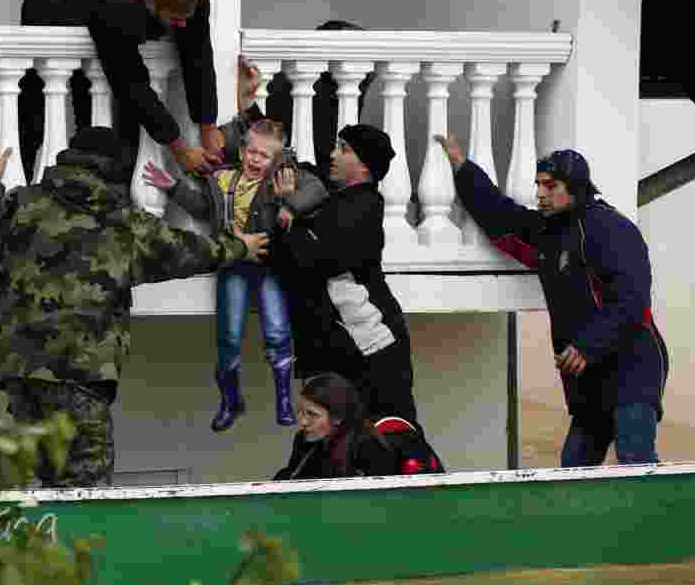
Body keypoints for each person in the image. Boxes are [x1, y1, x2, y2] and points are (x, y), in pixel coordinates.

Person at [0, 128, 268, 487]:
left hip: (22, 374)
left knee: (46, 486)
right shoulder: (122, 221)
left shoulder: (22, 204)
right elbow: (187, 250)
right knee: (85, 491)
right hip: (81, 374)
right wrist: (240, 247)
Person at [435, 132, 670, 467]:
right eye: (539, 185)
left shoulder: (611, 228)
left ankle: (650, 519)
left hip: (632, 367)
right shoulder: (548, 232)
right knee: (573, 468)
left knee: (635, 459)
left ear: (575, 187)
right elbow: (500, 216)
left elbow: (631, 302)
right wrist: (461, 166)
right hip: (589, 376)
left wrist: (587, 346)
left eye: (551, 186)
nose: (540, 193)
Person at [142, 105, 327, 432]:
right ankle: (230, 401)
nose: (256, 160)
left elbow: (317, 190)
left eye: (264, 156)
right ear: (242, 151)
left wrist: (290, 205)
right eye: (252, 152)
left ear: (276, 159)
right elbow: (202, 208)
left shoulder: (282, 179)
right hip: (233, 263)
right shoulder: (223, 178)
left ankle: (284, 400)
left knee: (277, 331)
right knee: (228, 336)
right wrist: (172, 186)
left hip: (269, 265)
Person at [271, 124, 439, 453]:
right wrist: (251, 110)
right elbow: (293, 162)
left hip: (372, 349)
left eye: (343, 148)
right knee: (332, 443)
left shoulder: (363, 208)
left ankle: (419, 497)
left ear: (363, 165)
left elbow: (310, 261)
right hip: (343, 349)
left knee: (394, 438)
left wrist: (290, 211)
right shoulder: (337, 201)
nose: (333, 154)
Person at [18, 0, 223, 181]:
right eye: (175, 20)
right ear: (149, 2)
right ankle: (22, 175)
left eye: (186, 17)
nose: (183, 26)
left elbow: (198, 57)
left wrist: (208, 125)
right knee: (40, 103)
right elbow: (130, 82)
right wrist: (179, 148)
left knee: (99, 106)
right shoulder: (114, 3)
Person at [273, 373, 399, 480]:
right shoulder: (304, 439)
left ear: (338, 418)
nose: (303, 422)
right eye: (300, 411)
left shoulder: (368, 445)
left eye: (312, 414)